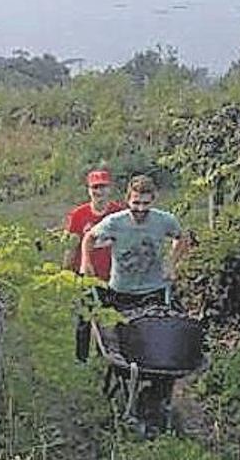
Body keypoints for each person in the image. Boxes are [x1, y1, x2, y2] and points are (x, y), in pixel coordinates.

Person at [80, 174, 187, 435]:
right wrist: (87, 263)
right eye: (135, 204)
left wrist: (172, 263)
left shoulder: (164, 220)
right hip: (122, 293)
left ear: (154, 201)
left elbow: (181, 237)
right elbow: (89, 239)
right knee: (126, 349)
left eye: (145, 204)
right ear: (128, 200)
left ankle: (155, 399)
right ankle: (134, 396)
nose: (140, 210)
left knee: (160, 349)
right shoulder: (115, 222)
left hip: (153, 292)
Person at [64, 169, 124, 362]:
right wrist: (67, 273)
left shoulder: (119, 213)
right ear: (89, 190)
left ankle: (106, 357)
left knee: (109, 317)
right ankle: (81, 358)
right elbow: (71, 246)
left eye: (103, 187)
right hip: (87, 274)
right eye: (95, 187)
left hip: (112, 275)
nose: (99, 191)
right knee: (85, 318)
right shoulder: (78, 215)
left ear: (110, 189)